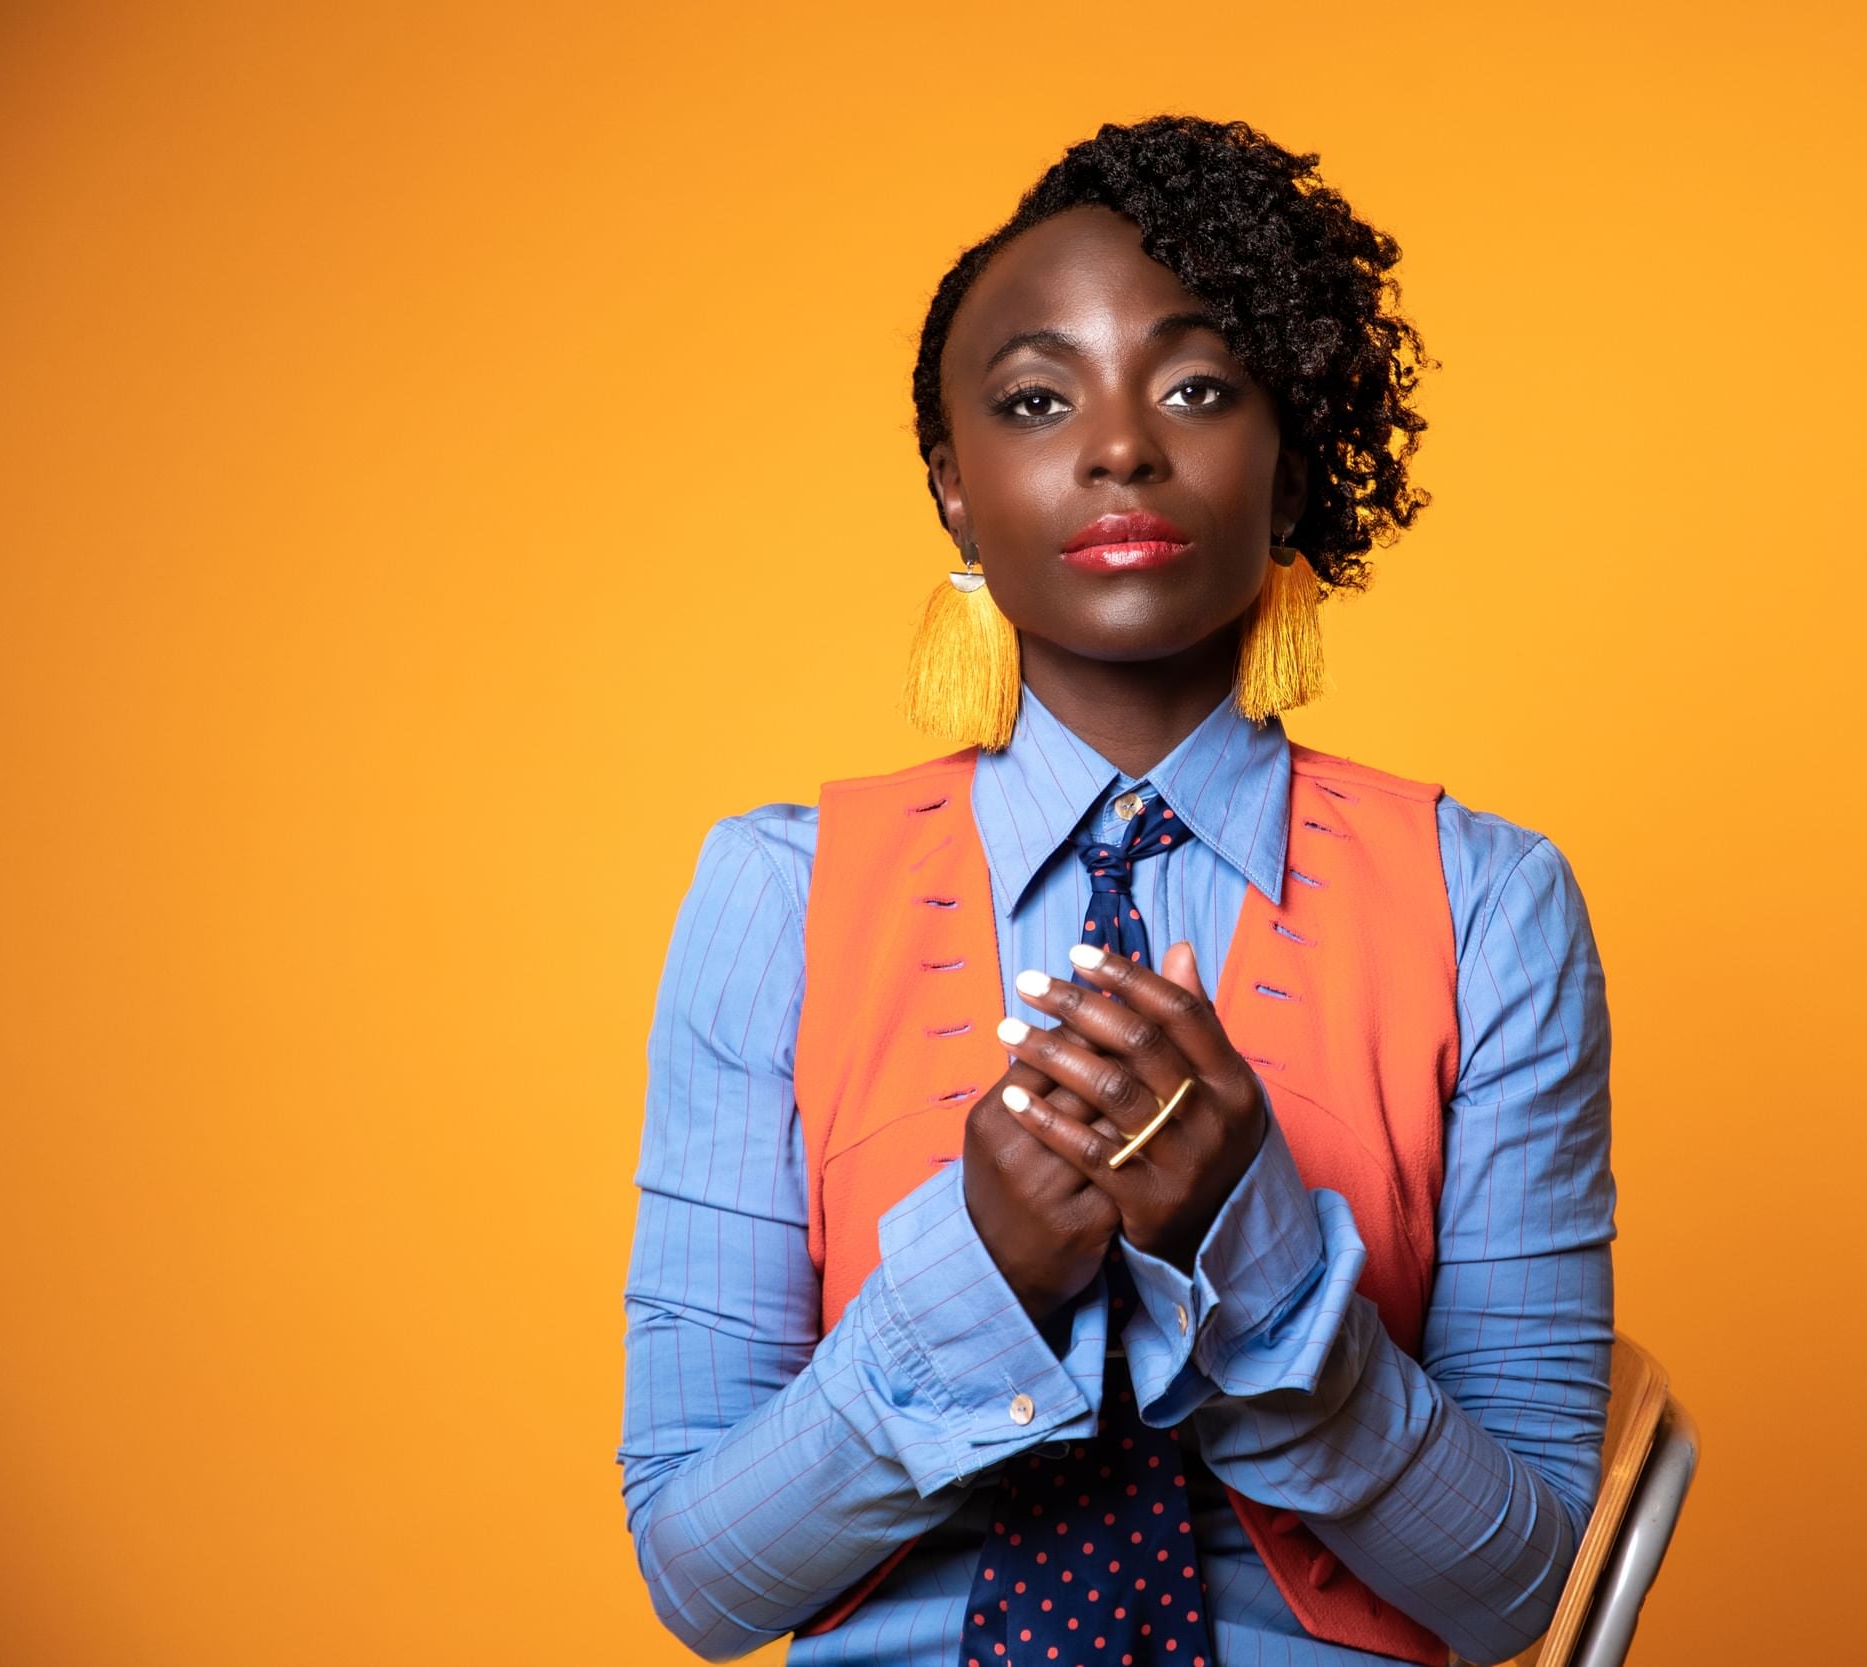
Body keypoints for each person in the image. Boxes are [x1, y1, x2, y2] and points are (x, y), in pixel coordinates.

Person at [617, 114, 1617, 1667]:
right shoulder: (776, 897)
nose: (1121, 446)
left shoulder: (1490, 905)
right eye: (1036, 400)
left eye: (1199, 387)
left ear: (1289, 464)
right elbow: (701, 1577)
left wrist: (1261, 1254)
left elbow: (1522, 1589)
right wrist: (979, 1276)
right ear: (954, 492)